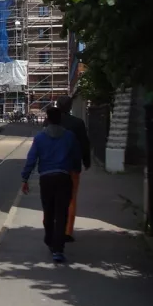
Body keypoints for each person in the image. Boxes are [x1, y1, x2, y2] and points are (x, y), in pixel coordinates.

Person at [21, 106, 82, 263]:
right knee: (62, 213)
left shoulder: (40, 138)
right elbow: (76, 157)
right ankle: (58, 249)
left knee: (48, 211)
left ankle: (49, 238)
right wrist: (75, 170)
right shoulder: (69, 136)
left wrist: (25, 178)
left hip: (46, 179)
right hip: (63, 178)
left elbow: (32, 159)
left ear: (47, 119)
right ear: (60, 119)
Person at [56, 95, 91, 242]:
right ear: (70, 107)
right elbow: (84, 143)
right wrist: (86, 161)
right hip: (72, 167)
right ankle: (67, 232)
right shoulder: (78, 123)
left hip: (54, 167)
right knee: (71, 198)